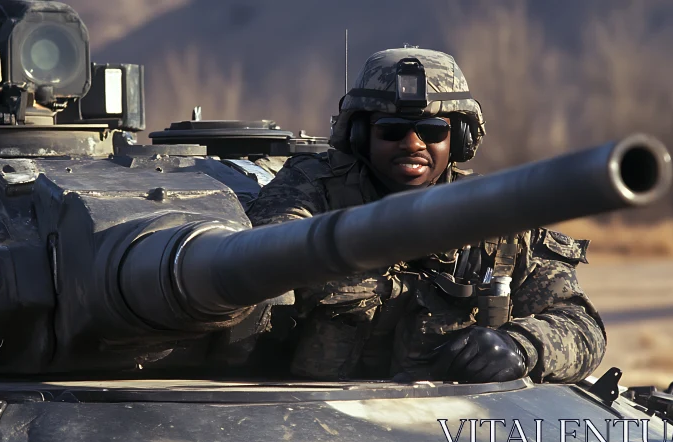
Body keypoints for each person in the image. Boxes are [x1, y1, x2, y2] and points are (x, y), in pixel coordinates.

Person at [245, 48, 606, 384]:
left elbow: (581, 328)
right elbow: (266, 249)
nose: (413, 143)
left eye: (433, 130)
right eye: (392, 129)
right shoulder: (311, 191)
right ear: (359, 134)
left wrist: (523, 346)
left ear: (460, 139)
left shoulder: (493, 222)